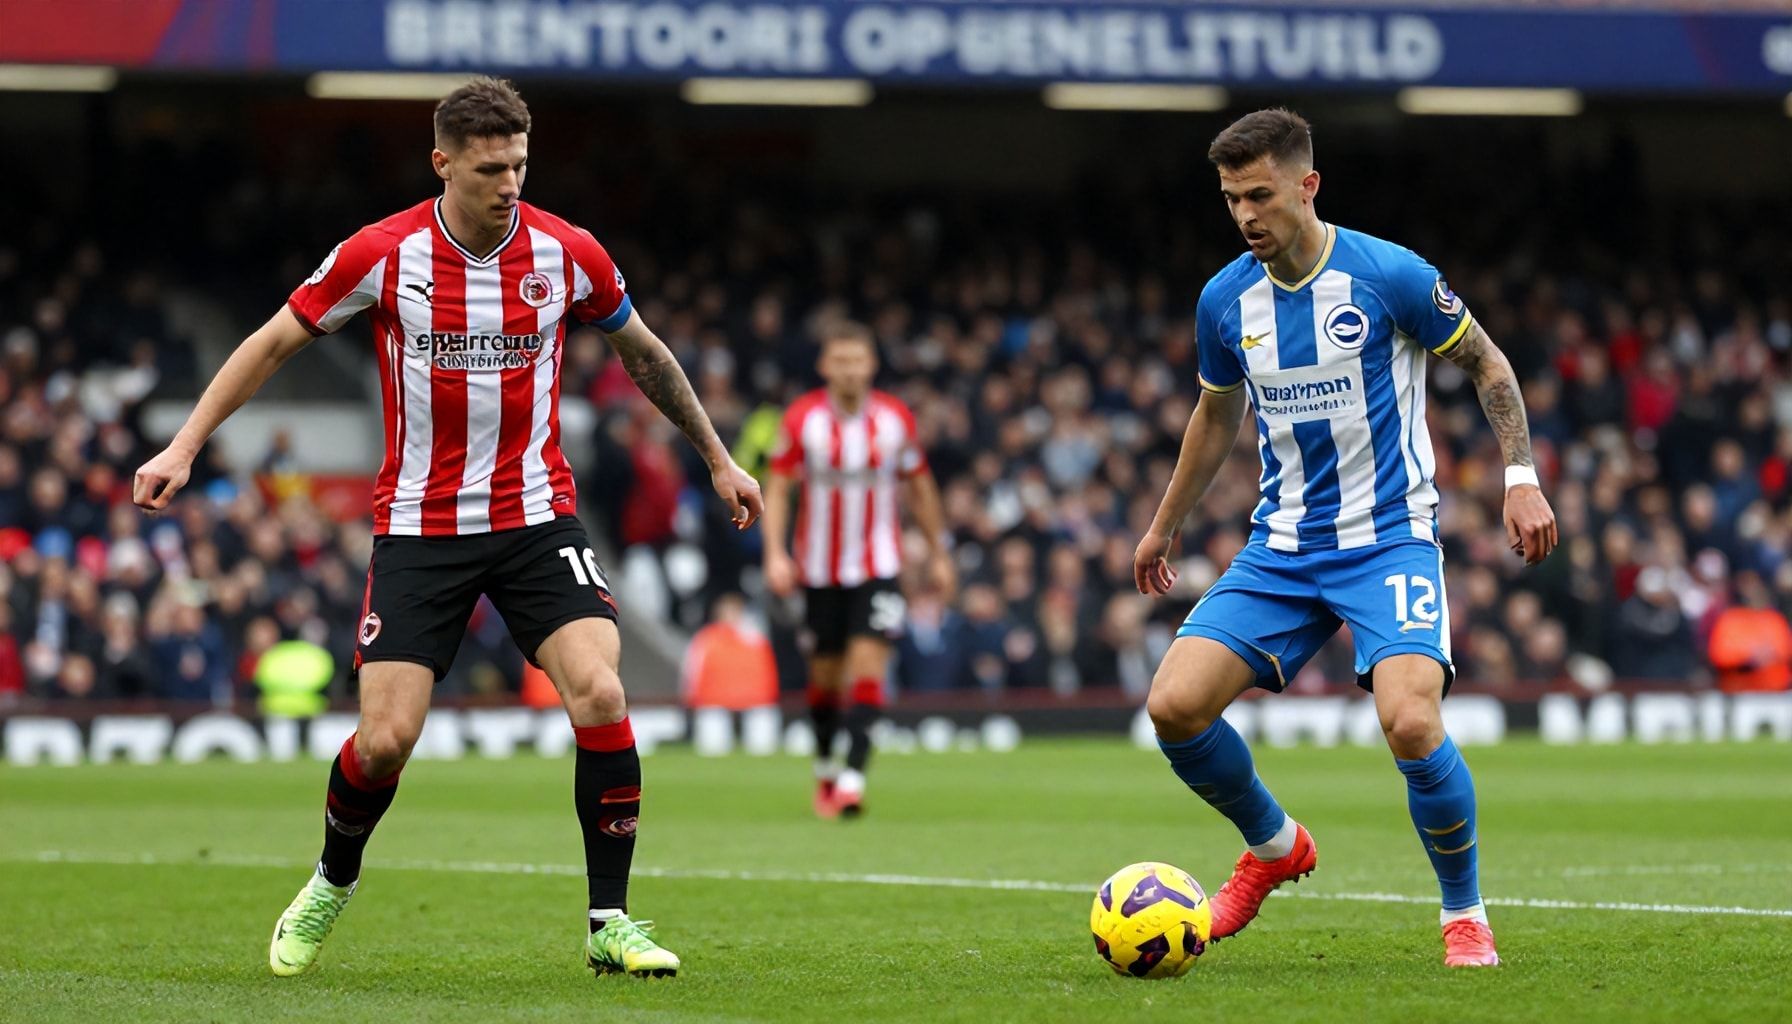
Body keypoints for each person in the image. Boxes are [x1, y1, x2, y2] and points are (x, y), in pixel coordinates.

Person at [132, 77, 763, 981]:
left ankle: (609, 920)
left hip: (536, 515)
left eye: (519, 164)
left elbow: (644, 352)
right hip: (422, 528)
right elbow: (273, 340)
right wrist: (186, 445)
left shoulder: (566, 251)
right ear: (443, 162)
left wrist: (716, 456)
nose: (510, 183)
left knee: (602, 693)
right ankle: (330, 879)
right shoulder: (381, 255)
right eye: (490, 167)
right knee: (386, 739)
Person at [1132, 109, 1557, 968]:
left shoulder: (1386, 274)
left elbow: (1488, 363)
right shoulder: (1226, 300)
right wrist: (1163, 524)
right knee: (1173, 707)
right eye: (1230, 199)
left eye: (1260, 194)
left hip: (1389, 539)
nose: (1246, 214)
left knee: (1408, 721)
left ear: (1306, 185)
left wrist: (1520, 478)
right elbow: (1216, 418)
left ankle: (1463, 913)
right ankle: (1275, 843)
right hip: (1282, 546)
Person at [761, 320, 953, 818]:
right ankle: (826, 764)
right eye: (839, 360)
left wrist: (938, 551)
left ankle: (852, 777)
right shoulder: (803, 419)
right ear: (825, 366)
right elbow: (779, 486)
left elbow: (920, 485)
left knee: (869, 664)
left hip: (878, 565)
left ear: (872, 365)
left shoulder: (894, 420)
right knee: (824, 677)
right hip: (818, 569)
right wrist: (775, 553)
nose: (849, 369)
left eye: (857, 359)